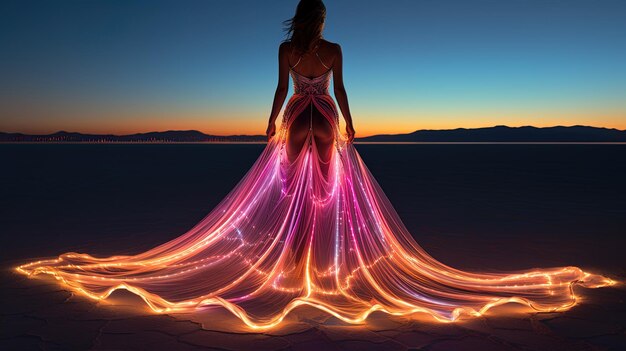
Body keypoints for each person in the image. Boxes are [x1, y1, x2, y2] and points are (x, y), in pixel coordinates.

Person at [16, 0, 615, 330]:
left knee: (295, 194)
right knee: (327, 194)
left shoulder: (286, 49)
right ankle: (315, 267)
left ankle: (298, 264)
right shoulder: (332, 51)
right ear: (320, 22)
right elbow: (341, 91)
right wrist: (350, 124)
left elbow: (279, 91)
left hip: (298, 119)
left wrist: (270, 125)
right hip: (323, 120)